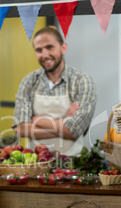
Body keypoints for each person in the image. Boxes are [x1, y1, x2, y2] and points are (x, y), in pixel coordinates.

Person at [12, 25, 96, 156]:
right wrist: (64, 122)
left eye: (50, 47)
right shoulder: (28, 82)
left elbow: (74, 130)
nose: (45, 55)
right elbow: (20, 128)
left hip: (71, 163)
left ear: (63, 48)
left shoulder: (82, 81)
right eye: (39, 50)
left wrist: (37, 121)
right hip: (35, 163)